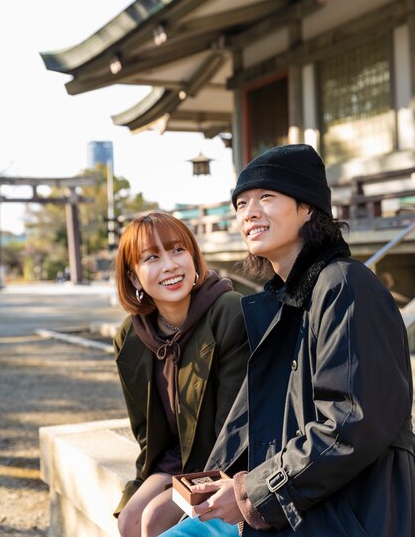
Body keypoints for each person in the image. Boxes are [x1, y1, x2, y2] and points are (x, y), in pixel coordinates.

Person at [159, 144, 415, 537]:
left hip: (346, 513)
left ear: (308, 207)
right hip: (291, 504)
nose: (249, 213)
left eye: (266, 197)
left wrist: (250, 494)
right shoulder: (283, 302)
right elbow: (253, 425)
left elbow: (350, 423)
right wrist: (214, 486)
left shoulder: (344, 286)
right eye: (241, 203)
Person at [113, 212, 249, 537]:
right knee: (129, 520)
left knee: (156, 518)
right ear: (134, 278)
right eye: (152, 257)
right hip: (175, 460)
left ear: (193, 256)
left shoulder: (229, 312)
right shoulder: (131, 337)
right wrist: (146, 483)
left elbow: (236, 427)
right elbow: (148, 434)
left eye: (177, 251)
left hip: (227, 460)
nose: (170, 265)